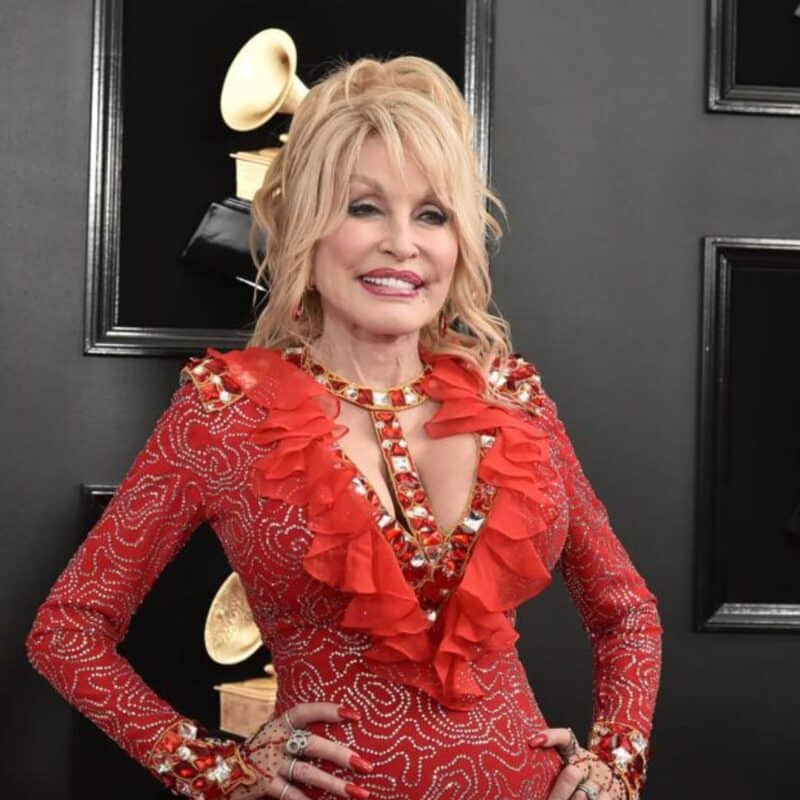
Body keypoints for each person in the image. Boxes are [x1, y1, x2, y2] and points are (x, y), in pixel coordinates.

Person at [26, 55, 662, 800]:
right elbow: (66, 630)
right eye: (364, 207)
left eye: (432, 214)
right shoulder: (224, 415)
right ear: (305, 227)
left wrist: (616, 761)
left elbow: (629, 615)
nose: (403, 243)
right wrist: (210, 768)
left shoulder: (514, 403)